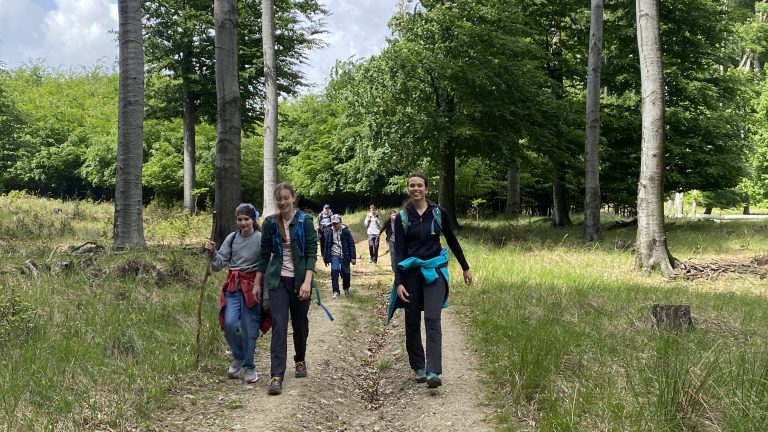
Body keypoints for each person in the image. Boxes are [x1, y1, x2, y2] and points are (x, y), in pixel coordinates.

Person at [392, 172, 473, 389]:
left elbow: (452, 240)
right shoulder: (402, 217)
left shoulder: (438, 213)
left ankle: (433, 371)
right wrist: (398, 282)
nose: (415, 189)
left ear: (426, 189)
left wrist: (465, 267)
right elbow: (399, 252)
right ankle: (418, 366)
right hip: (411, 273)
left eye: (419, 185)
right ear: (408, 189)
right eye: (412, 185)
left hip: (434, 271)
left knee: (432, 318)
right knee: (411, 321)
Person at [253, 183, 318, 396]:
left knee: (300, 324)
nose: (282, 202)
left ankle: (300, 359)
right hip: (277, 281)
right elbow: (264, 255)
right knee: (279, 325)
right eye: (279, 199)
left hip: (300, 280)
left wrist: (307, 282)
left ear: (293, 197)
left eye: (286, 198)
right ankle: (276, 375)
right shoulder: (270, 223)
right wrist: (257, 282)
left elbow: (311, 252)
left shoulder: (305, 221)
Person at [205, 203, 264, 384]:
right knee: (230, 323)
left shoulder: (261, 238)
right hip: (234, 287)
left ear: (253, 219)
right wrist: (212, 253)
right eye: (239, 219)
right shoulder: (231, 238)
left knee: (249, 328)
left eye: (246, 219)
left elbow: (267, 263)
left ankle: (249, 367)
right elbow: (218, 264)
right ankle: (238, 356)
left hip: (253, 289)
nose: (243, 223)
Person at [323, 214, 356, 299]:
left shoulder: (346, 231)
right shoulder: (329, 231)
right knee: (334, 273)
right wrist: (326, 258)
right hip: (334, 255)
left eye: (336, 223)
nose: (335, 225)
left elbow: (351, 244)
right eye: (333, 223)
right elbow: (327, 245)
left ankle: (346, 288)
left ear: (340, 222)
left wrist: (353, 257)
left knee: (346, 273)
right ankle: (336, 291)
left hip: (345, 255)